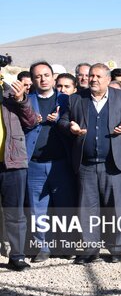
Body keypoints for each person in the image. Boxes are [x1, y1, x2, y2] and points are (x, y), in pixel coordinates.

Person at [58, 63, 121, 264]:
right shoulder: (76, 99)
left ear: (108, 80)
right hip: (86, 164)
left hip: (114, 163)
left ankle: (117, 249)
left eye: (99, 76)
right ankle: (90, 250)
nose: (93, 79)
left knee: (116, 207)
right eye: (91, 76)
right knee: (87, 209)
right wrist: (70, 127)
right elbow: (63, 121)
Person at [24, 62, 75, 262]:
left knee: (65, 206)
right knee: (38, 208)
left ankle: (67, 244)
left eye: (46, 75)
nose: (43, 79)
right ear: (33, 79)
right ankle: (42, 247)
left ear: (53, 77)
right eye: (38, 76)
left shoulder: (67, 100)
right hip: (34, 163)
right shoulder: (26, 101)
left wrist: (61, 122)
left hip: (61, 162)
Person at [0, 76, 37, 270]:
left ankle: (17, 256)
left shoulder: (12, 92)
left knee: (15, 213)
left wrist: (21, 99)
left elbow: (31, 121)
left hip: (12, 161)